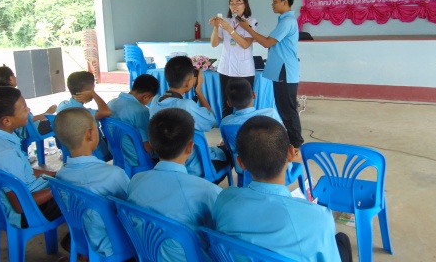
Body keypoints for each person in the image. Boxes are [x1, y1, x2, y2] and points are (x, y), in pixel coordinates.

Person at [213, 116, 352, 262]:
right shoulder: (318, 218)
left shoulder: (224, 200)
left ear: (240, 163)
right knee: (342, 240)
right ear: (291, 153)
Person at [127, 108, 221, 261]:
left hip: (147, 254)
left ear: (152, 143)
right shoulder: (208, 191)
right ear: (190, 147)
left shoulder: (136, 180)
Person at [0, 86, 61, 229]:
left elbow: (23, 171)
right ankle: (76, 239)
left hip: (3, 207)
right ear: (6, 121)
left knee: (71, 183)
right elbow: (19, 205)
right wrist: (57, 187)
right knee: (83, 198)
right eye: (24, 108)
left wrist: (56, 174)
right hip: (26, 213)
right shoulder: (5, 153)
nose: (28, 110)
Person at [54, 108, 129, 257]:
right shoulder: (113, 174)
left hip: (82, 238)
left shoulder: (61, 174)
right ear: (90, 134)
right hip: (113, 244)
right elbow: (132, 207)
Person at [238, 0, 304, 149]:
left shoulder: (287, 22)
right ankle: (292, 140)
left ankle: (296, 143)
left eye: (275, 1)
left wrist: (248, 29)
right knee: (283, 107)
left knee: (287, 108)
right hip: (281, 69)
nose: (272, 4)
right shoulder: (284, 20)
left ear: (285, 2)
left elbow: (267, 42)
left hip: (285, 70)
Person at [149, 56, 228, 178]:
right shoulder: (186, 106)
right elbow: (212, 122)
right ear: (188, 82)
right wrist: (199, 91)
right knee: (227, 151)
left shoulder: (155, 101)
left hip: (165, 163)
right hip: (193, 168)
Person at [209, 0, 258, 118]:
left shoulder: (250, 21)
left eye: (238, 2)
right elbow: (214, 43)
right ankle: (226, 129)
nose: (234, 6)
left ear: (245, 5)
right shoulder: (226, 21)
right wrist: (216, 27)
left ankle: (246, 128)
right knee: (227, 104)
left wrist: (229, 29)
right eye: (231, 3)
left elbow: (245, 44)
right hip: (225, 69)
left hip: (244, 70)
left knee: (245, 104)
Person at [56, 71, 112, 160]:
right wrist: (94, 94)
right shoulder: (84, 113)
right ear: (87, 91)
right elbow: (106, 112)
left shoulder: (62, 105)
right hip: (96, 153)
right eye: (93, 88)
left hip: (70, 151)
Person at [0, 65, 56, 139]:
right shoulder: (14, 96)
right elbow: (28, 119)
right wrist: (46, 113)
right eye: (13, 75)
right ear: (10, 79)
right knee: (60, 123)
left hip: (16, 131)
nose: (15, 77)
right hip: (28, 130)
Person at [108, 73, 159, 166]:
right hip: (136, 159)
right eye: (150, 99)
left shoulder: (110, 103)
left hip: (116, 153)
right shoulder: (141, 111)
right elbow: (147, 147)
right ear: (146, 96)